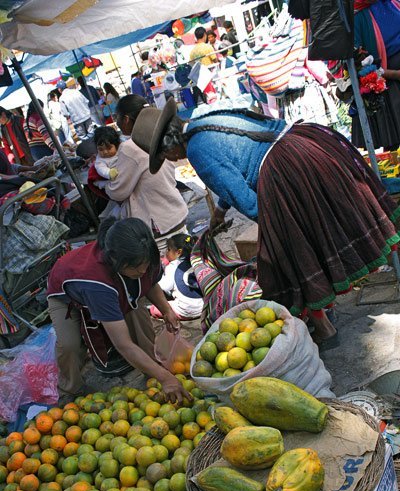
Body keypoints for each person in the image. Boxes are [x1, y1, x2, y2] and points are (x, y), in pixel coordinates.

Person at [131, 98, 400, 346]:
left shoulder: (198, 152)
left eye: (164, 155)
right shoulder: (203, 120)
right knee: (354, 218)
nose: (171, 160)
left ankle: (325, 328)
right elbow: (235, 169)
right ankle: (326, 304)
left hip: (288, 168)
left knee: (285, 258)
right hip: (307, 144)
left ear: (170, 144)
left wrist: (277, 235)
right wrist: (220, 212)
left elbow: (248, 201)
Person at [47, 217, 190, 403]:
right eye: (137, 269)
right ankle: (69, 389)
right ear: (115, 261)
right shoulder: (97, 283)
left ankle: (153, 371)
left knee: (139, 318)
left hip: (114, 285)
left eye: (145, 266)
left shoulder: (144, 253)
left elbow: (149, 282)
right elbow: (123, 344)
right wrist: (168, 379)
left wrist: (166, 310)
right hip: (66, 296)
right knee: (70, 345)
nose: (143, 271)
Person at [99, 94, 188, 256]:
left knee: (169, 275)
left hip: (160, 228)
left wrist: (106, 185)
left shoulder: (130, 148)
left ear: (126, 119)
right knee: (190, 263)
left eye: (117, 118)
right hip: (176, 216)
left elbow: (118, 192)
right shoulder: (159, 134)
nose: (117, 122)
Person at [351, 0, 400, 150]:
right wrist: (390, 74)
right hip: (386, 85)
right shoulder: (355, 16)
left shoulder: (392, 3)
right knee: (393, 146)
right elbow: (358, 63)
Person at [150, 234, 203, 320]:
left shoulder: (173, 266)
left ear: (178, 252)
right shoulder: (195, 259)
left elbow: (165, 287)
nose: (166, 252)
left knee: (155, 308)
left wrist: (158, 275)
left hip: (186, 311)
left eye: (168, 249)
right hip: (202, 306)